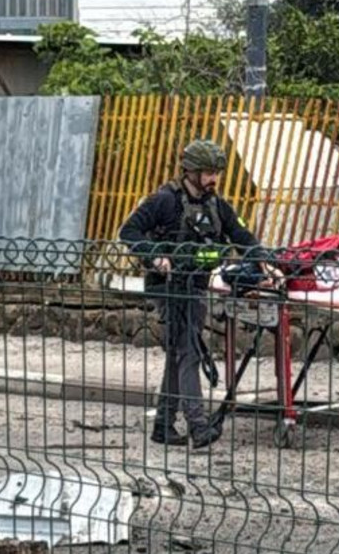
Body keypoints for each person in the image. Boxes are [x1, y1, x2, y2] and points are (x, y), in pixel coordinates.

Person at [119, 138, 277, 449]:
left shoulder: (217, 205)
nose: (213, 179)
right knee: (189, 351)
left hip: (196, 285)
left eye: (216, 172)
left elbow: (242, 236)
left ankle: (163, 424)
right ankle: (198, 425)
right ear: (190, 171)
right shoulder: (164, 201)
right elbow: (129, 231)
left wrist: (264, 261)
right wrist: (155, 257)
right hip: (167, 287)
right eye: (207, 172)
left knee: (180, 353)